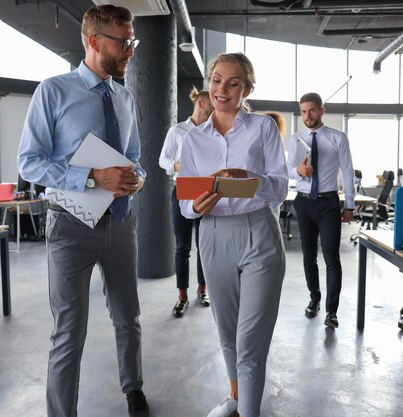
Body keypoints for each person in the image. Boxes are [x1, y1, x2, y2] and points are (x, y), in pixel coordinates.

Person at [17, 5, 149, 417]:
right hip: (70, 227)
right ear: (94, 42)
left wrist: (137, 178)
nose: (130, 51)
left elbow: (136, 158)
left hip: (122, 221)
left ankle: (134, 389)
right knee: (69, 332)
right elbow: (29, 162)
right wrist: (92, 178)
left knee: (129, 317)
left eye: (133, 42)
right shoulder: (53, 91)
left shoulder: (125, 97)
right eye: (123, 42)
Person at [179, 52, 288, 417]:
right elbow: (184, 202)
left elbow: (281, 188)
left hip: (259, 232)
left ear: (247, 88)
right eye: (216, 80)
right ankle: (236, 398)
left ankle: (248, 413)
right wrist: (196, 207)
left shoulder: (262, 128)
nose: (222, 89)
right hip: (212, 236)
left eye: (233, 83)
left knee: (250, 342)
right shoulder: (191, 140)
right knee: (228, 335)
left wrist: (248, 181)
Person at [286, 92, 355, 329]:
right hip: (303, 202)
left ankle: (331, 311)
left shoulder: (338, 138)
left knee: (331, 257)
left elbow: (347, 172)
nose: (308, 116)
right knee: (308, 256)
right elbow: (286, 170)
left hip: (327, 203)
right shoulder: (296, 138)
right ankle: (314, 298)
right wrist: (298, 172)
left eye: (312, 110)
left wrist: (349, 206)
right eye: (304, 111)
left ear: (321, 110)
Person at [159, 87, 213, 318]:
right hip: (183, 189)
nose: (215, 107)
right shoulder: (178, 131)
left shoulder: (213, 131)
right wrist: (181, 167)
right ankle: (182, 296)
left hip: (207, 190)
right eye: (212, 103)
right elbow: (163, 159)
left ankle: (203, 290)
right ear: (201, 103)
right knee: (182, 247)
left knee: (205, 246)